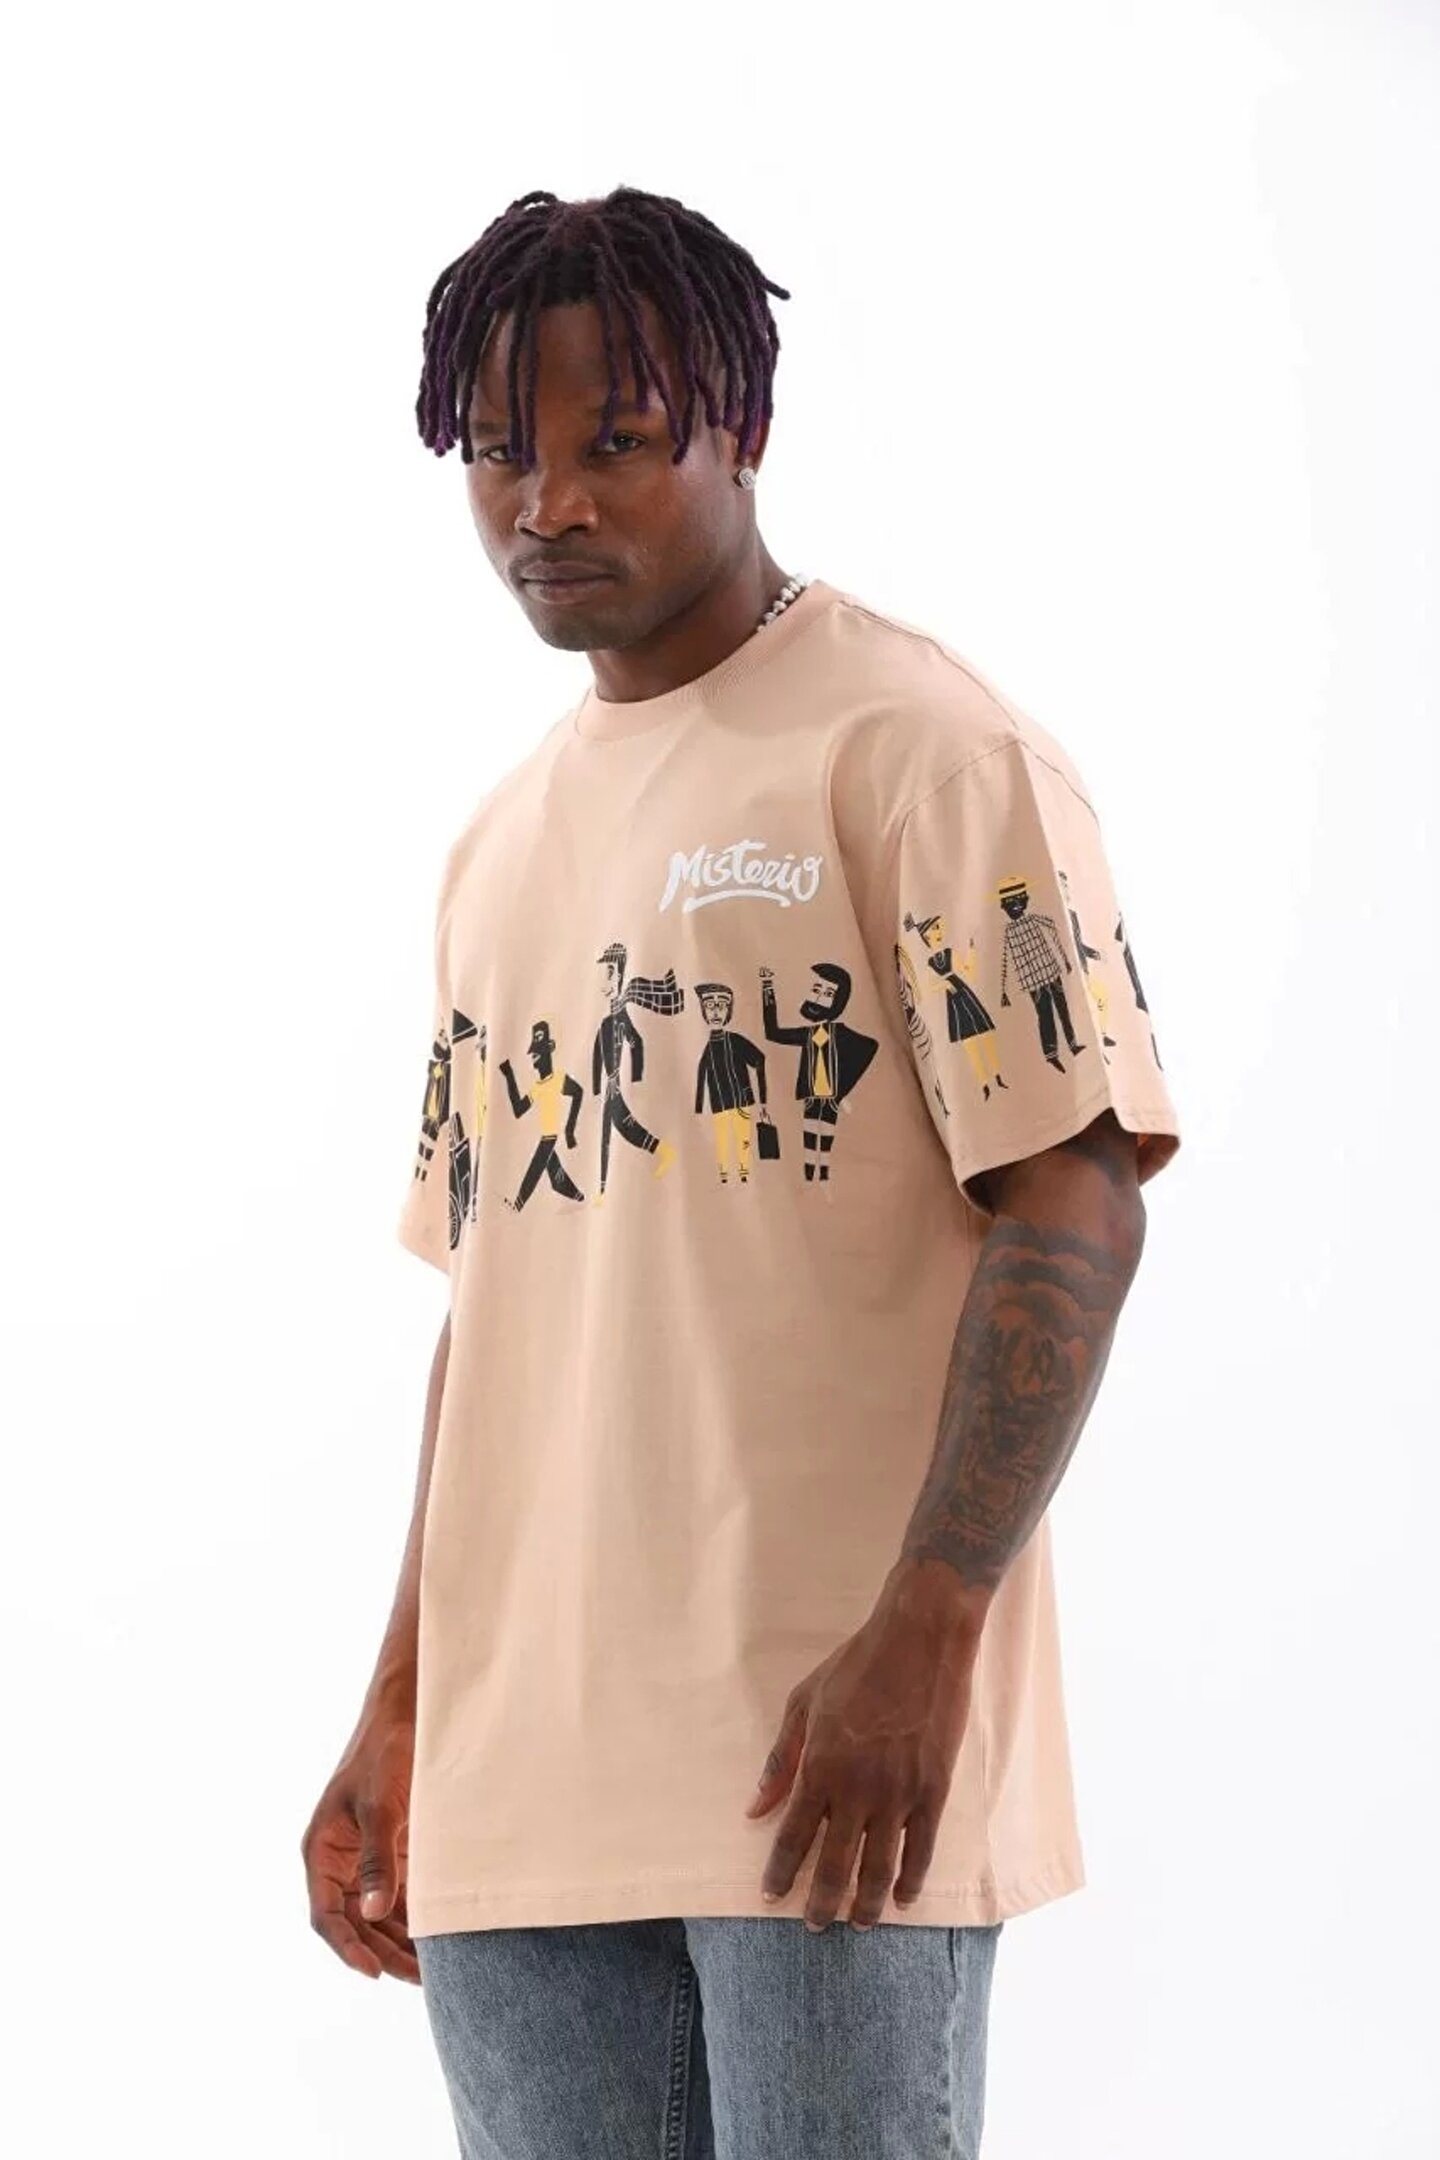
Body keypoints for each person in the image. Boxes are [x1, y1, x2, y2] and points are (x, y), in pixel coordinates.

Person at [300, 183, 1182, 2160]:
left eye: (615, 441)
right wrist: (402, 1700)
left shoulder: (922, 748)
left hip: (824, 1752)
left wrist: (928, 1636)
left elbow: (1076, 1197)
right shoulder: (497, 844)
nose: (547, 504)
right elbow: (495, 1306)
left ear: (743, 430)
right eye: (500, 451)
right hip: (523, 1784)